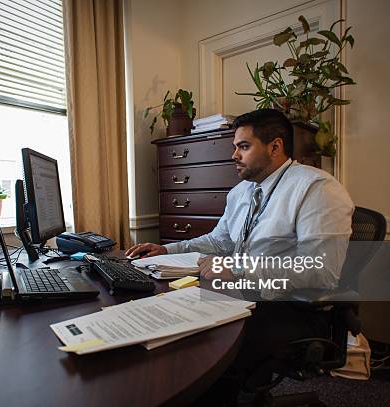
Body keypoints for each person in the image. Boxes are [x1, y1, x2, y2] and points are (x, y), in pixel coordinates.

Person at [126, 108, 354, 403]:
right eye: (235, 146)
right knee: (169, 320)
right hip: (244, 295)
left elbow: (320, 270)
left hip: (292, 308)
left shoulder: (316, 189)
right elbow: (218, 241)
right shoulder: (241, 192)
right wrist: (167, 249)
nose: (234, 155)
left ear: (275, 147)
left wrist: (238, 268)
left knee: (205, 346)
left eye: (243, 147)